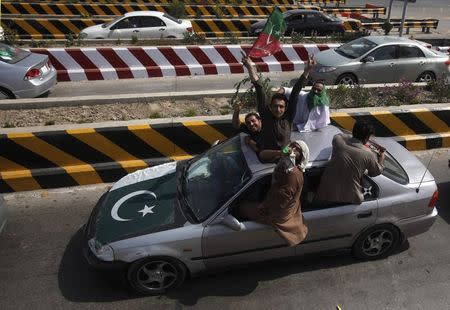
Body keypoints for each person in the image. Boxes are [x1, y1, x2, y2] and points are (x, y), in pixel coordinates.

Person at [241, 53, 315, 163]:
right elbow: (259, 88)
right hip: (267, 157)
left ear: (285, 108)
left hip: (286, 158)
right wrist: (250, 67)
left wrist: (307, 70)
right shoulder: (266, 115)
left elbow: (295, 92)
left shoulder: (288, 116)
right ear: (270, 107)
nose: (278, 109)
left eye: (281, 107)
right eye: (275, 106)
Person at [238, 140, 310, 246]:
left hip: (277, 211)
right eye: (292, 146)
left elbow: (281, 199)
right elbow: (263, 154)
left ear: (301, 157)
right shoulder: (285, 162)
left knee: (242, 208)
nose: (293, 149)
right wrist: (281, 152)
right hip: (274, 198)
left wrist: (264, 207)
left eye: (297, 149)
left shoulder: (292, 173)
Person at [316, 120, 385, 205]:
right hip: (349, 199)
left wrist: (356, 138)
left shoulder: (338, 142)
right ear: (367, 137)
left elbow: (340, 135)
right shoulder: (368, 154)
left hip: (326, 195)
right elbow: (375, 172)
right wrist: (381, 158)